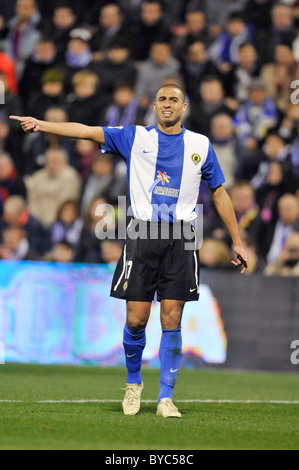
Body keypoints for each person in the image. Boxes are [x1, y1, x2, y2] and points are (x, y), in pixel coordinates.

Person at [10, 83, 248, 419]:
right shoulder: (135, 136)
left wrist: (236, 240)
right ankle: (133, 384)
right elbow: (87, 131)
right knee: (136, 320)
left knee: (173, 317)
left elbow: (220, 194)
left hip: (183, 237)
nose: (167, 104)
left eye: (174, 100)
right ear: (154, 105)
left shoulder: (200, 145)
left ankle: (166, 397)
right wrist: (43, 124)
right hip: (142, 234)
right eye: (162, 99)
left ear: (184, 107)